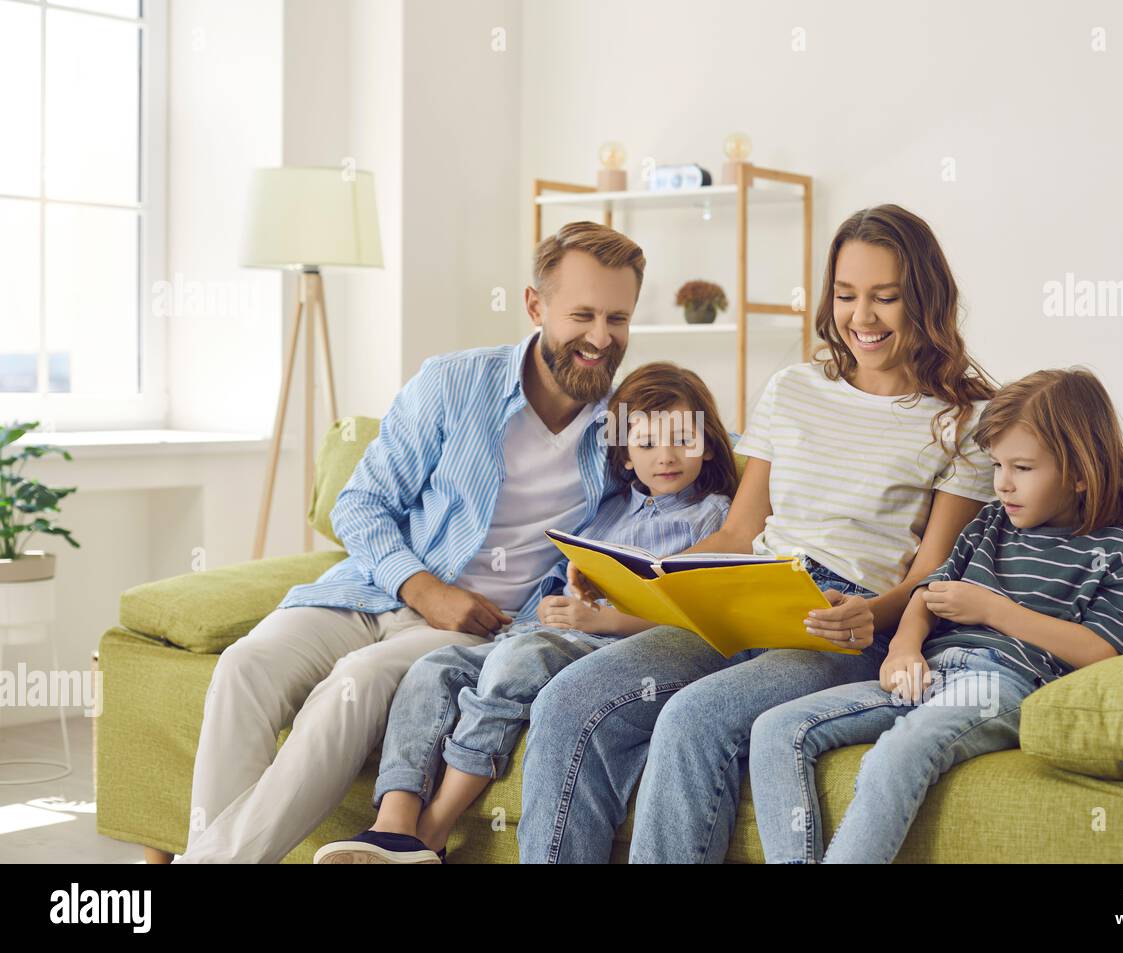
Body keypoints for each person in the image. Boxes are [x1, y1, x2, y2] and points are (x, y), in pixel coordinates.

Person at [518, 204, 1001, 863]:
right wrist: (630, 576)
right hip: (744, 594)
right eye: (847, 295)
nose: (862, 317)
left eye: (885, 298)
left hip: (844, 619)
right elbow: (740, 530)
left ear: (924, 298)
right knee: (568, 699)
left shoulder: (962, 420)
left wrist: (870, 612)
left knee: (693, 720)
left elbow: (932, 574)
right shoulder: (792, 387)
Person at [174, 221, 644, 863]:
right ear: (535, 307)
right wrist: (424, 588)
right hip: (370, 592)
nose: (600, 337)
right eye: (582, 314)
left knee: (357, 683)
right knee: (243, 667)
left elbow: (693, 500)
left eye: (617, 318)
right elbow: (360, 503)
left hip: (476, 628)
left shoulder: (631, 428)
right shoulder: (453, 384)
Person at [313, 362, 738, 862]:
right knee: (433, 668)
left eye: (682, 440)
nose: (665, 457)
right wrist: (559, 598)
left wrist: (600, 620)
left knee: (518, 662)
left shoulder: (715, 517)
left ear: (708, 444)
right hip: (544, 630)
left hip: (609, 648)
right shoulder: (607, 509)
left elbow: (691, 613)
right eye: (647, 444)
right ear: (624, 457)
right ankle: (393, 825)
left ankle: (432, 832)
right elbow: (567, 577)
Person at [748, 367, 1123, 863]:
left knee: (899, 753)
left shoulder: (1115, 551)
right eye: (997, 465)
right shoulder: (990, 523)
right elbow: (926, 593)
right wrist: (902, 649)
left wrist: (994, 610)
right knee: (774, 731)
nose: (1002, 485)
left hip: (1005, 684)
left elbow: (1106, 653)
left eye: (1022, 469)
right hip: (930, 673)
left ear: (1079, 472)